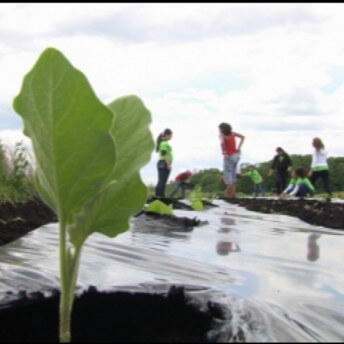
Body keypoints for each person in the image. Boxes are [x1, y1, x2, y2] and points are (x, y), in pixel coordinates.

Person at [219, 122, 245, 198]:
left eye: (220, 129)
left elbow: (222, 143)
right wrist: (239, 148)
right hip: (236, 156)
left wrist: (224, 152)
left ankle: (226, 194)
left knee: (228, 175)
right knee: (233, 175)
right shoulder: (233, 133)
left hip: (229, 156)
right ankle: (233, 194)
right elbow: (243, 137)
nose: (219, 130)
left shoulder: (222, 135)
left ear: (222, 129)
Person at [155, 129, 173, 198]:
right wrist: (168, 164)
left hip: (164, 163)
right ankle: (159, 196)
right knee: (162, 181)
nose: (171, 137)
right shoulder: (163, 143)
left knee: (163, 181)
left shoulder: (165, 143)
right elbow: (164, 154)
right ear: (167, 135)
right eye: (171, 135)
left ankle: (161, 195)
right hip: (163, 163)